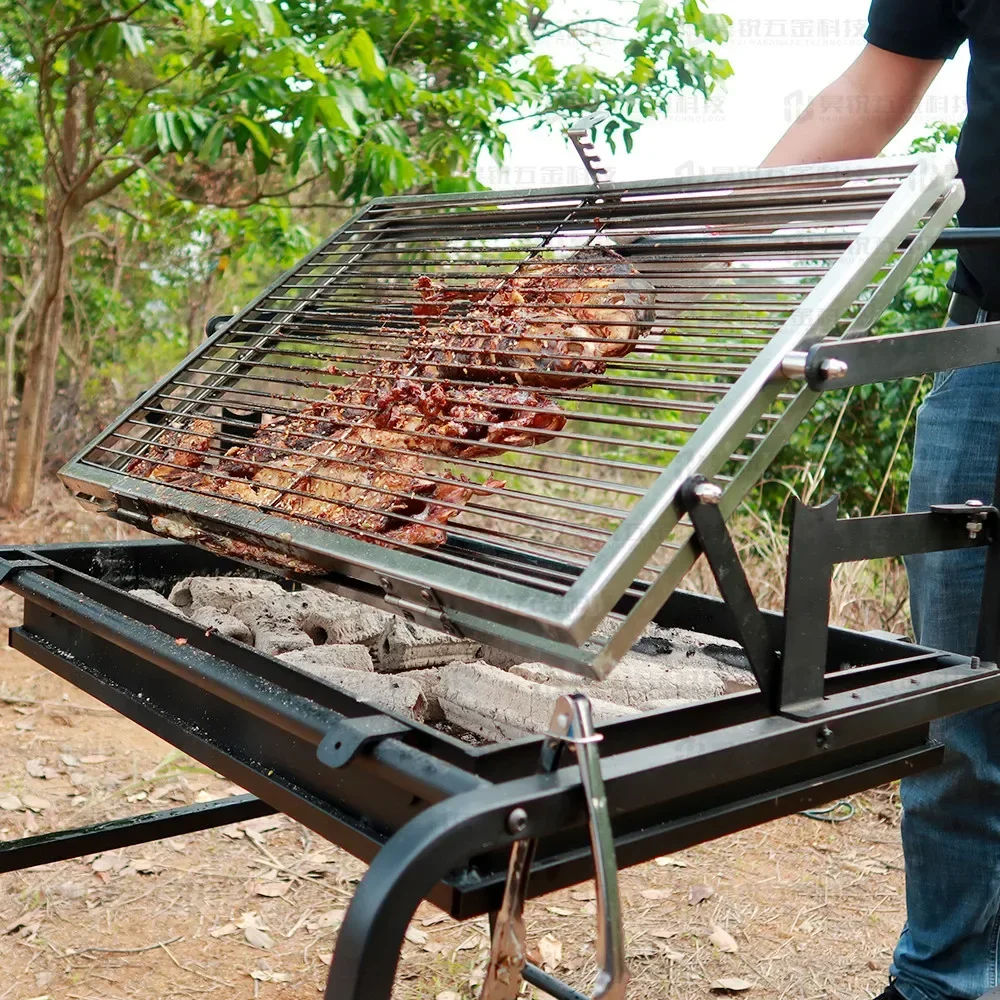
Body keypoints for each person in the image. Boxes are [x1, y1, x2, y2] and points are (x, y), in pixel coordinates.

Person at [763, 5, 1000, 1000]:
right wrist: (702, 235)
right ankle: (943, 981)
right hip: (990, 348)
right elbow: (871, 91)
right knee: (956, 700)